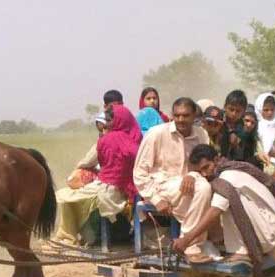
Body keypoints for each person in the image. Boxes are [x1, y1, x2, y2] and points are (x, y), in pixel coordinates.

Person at [171, 144, 275, 273]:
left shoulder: (226, 179)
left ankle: (243, 251)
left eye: (206, 167)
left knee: (224, 202)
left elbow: (214, 212)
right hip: (270, 229)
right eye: (200, 171)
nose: (205, 174)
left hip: (265, 237)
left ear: (216, 160)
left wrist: (187, 239)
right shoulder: (233, 168)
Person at [133, 97, 212, 260]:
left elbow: (205, 165)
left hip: (191, 182)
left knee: (210, 190)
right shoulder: (156, 134)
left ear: (194, 116)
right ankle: (191, 245)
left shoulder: (201, 135)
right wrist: (156, 199)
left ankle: (190, 240)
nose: (181, 120)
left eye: (186, 116)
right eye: (177, 116)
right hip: (161, 186)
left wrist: (192, 175)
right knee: (202, 190)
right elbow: (140, 172)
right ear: (172, 115)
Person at [54, 105, 139, 245]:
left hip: (111, 188)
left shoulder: (108, 140)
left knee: (66, 196)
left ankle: (69, 237)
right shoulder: (136, 138)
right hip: (129, 189)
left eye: (109, 121)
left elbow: (98, 165)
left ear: (118, 121)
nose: (107, 125)